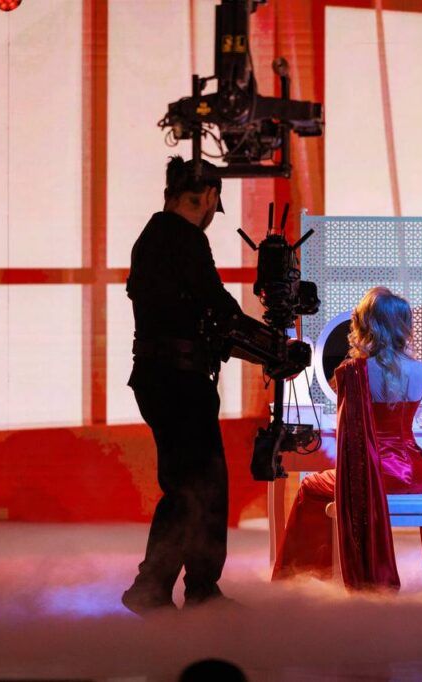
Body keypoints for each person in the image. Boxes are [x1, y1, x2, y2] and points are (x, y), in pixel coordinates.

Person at [272, 287, 422, 588]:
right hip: (415, 473)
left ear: (366, 323)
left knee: (309, 486)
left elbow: (349, 438)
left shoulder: (353, 371)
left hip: (374, 472)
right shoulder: (419, 370)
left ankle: (302, 574)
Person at [121, 156, 243, 613]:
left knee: (192, 484)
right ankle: (166, 588)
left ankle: (187, 589)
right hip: (180, 379)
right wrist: (273, 348)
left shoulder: (151, 237)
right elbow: (217, 307)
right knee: (198, 487)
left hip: (158, 377)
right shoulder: (186, 238)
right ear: (210, 197)